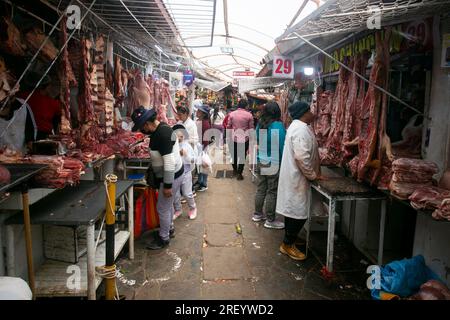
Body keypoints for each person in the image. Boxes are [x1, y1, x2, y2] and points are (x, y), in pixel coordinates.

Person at [131, 106, 184, 250]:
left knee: (162, 208)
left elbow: (169, 162)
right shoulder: (162, 128)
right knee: (168, 206)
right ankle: (169, 229)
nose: (142, 130)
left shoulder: (162, 134)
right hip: (175, 174)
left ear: (147, 124)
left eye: (142, 127)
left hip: (171, 176)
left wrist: (167, 186)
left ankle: (163, 238)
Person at [276, 101, 322, 261]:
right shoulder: (300, 130)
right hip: (298, 178)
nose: (312, 112)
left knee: (293, 211)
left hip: (294, 177)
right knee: (299, 213)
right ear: (304, 113)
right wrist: (313, 175)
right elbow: (302, 157)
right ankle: (287, 244)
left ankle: (290, 239)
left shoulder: (296, 127)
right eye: (309, 110)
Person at [253, 102, 286, 229]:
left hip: (261, 160)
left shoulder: (260, 124)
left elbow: (259, 142)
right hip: (274, 163)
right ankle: (270, 220)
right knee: (272, 192)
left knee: (261, 189)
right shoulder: (278, 126)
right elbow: (282, 146)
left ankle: (257, 214)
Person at [18, 73, 61, 140]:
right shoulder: (52, 102)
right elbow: (59, 115)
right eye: (50, 85)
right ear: (47, 87)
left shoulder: (23, 96)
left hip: (25, 134)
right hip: (43, 135)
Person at [172, 124, 197, 220]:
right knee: (175, 194)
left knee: (187, 193)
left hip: (186, 172)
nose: (180, 138)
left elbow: (193, 160)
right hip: (175, 173)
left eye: (181, 136)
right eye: (178, 136)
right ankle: (178, 210)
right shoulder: (172, 145)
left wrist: (186, 155)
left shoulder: (187, 145)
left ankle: (193, 208)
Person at [226, 99, 254, 180]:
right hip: (244, 139)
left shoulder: (232, 114)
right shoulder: (249, 115)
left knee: (233, 155)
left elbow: (228, 126)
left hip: (233, 138)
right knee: (242, 156)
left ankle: (235, 170)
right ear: (246, 106)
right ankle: (239, 173)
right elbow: (251, 128)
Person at [195, 104, 212, 192]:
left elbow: (206, 140)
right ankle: (200, 181)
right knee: (199, 165)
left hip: (203, 147)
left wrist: (203, 152)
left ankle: (204, 184)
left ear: (203, 114)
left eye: (199, 111)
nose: (197, 112)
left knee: (204, 166)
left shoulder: (205, 123)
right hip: (198, 146)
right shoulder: (198, 121)